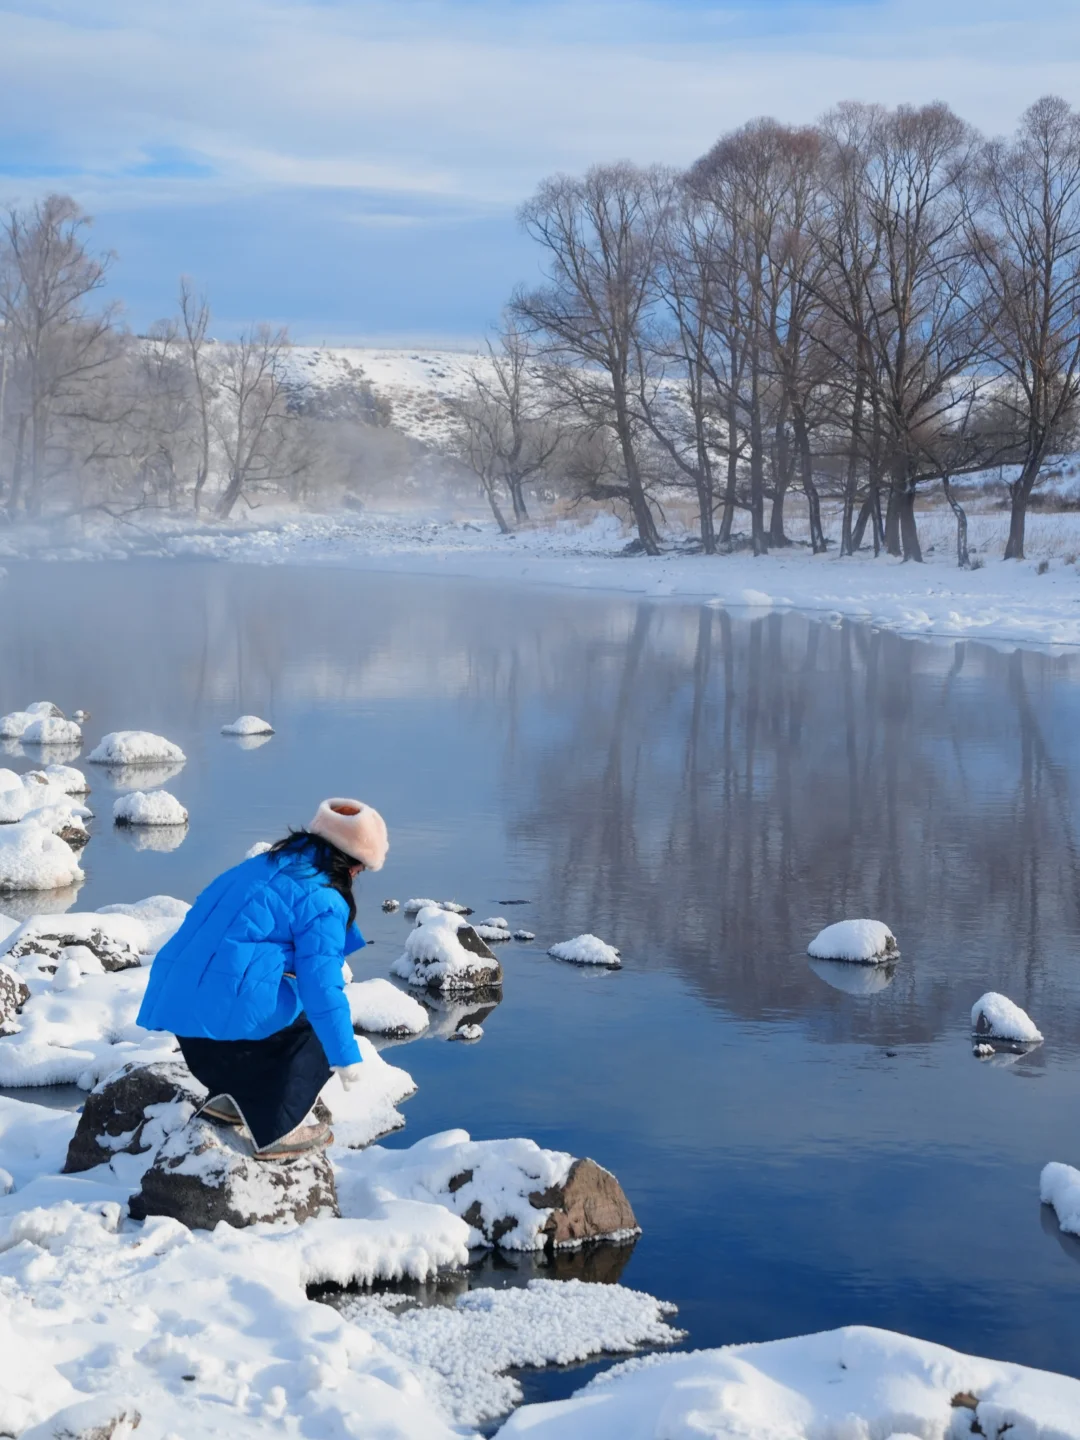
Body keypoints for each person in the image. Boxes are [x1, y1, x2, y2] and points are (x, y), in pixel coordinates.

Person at [137, 798, 388, 1160]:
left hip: (185, 1019)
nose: (356, 876)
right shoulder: (324, 898)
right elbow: (323, 989)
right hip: (220, 1025)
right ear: (347, 861)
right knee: (315, 1023)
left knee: (261, 997)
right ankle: (278, 1129)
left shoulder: (260, 865)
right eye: (359, 869)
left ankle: (229, 1099)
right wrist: (345, 1056)